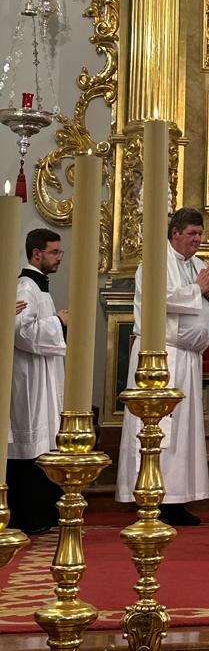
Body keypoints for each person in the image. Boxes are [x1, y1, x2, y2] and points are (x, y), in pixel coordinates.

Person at [116, 208, 209, 526]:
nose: (199, 239)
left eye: (200, 233)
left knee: (185, 431)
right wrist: (198, 290)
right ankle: (153, 497)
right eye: (193, 233)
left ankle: (177, 498)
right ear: (175, 232)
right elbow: (158, 299)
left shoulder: (197, 264)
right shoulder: (152, 262)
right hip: (161, 355)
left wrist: (207, 290)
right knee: (160, 429)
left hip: (189, 359)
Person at [9, 229, 68, 535]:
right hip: (29, 380)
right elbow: (21, 333)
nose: (60, 258)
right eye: (55, 252)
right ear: (36, 254)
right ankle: (27, 515)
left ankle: (42, 512)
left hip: (42, 376)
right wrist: (59, 322)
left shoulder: (39, 288)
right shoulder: (25, 287)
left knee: (44, 442)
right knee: (31, 443)